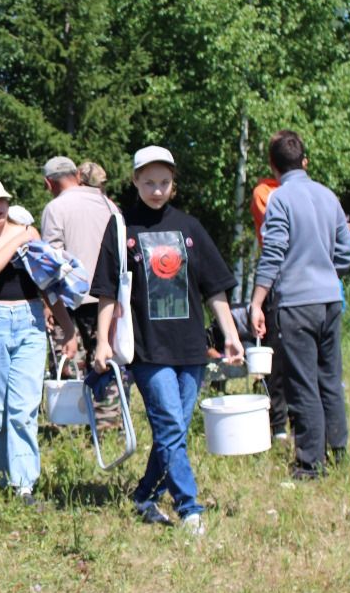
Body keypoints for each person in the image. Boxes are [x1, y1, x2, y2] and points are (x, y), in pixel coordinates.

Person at [92, 146, 243, 537]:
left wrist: (230, 334)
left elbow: (215, 289)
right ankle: (189, 507)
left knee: (172, 429)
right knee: (171, 427)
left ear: (173, 184)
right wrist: (102, 341)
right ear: (135, 181)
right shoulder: (123, 227)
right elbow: (108, 290)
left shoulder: (189, 227)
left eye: (164, 182)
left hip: (191, 346)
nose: (156, 190)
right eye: (148, 182)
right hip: (148, 346)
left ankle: (144, 495)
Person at [0, 174, 77, 506]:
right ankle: (2, 479)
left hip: (29, 322)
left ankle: (24, 485)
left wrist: (67, 327)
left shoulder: (29, 233)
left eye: (2, 201)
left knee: (24, 408)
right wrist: (19, 240)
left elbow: (47, 282)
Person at [249, 130, 350, 480]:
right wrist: (326, 273)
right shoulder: (328, 196)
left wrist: (257, 302)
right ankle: (339, 452)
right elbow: (346, 253)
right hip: (330, 300)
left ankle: (311, 464)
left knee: (304, 383)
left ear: (272, 165)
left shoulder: (278, 199)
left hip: (297, 304)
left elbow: (273, 253)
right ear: (304, 161)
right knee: (330, 379)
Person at [40, 155, 121, 430]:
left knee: (68, 360)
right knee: (105, 359)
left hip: (70, 301)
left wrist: (49, 305)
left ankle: (70, 423)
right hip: (108, 299)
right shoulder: (109, 204)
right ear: (76, 175)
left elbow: (48, 263)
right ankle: (108, 424)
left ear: (48, 183)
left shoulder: (55, 208)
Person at [250, 174, 289, 442]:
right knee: (276, 356)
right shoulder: (265, 192)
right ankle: (278, 425)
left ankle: (297, 421)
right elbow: (274, 240)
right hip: (278, 281)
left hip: (301, 283)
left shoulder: (308, 193)